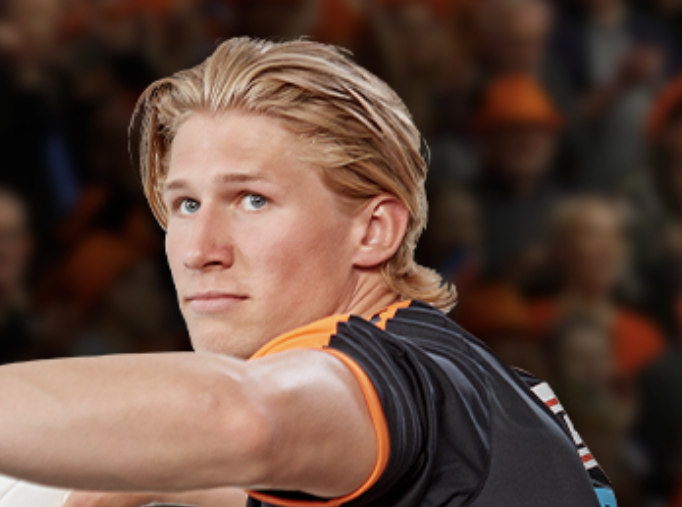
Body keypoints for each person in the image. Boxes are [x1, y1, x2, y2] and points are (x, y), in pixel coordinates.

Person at [0, 38, 614, 507]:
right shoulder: (480, 392)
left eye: (252, 200)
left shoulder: (405, 379)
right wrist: (146, 474)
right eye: (185, 205)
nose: (198, 250)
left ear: (373, 231)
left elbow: (241, 421)